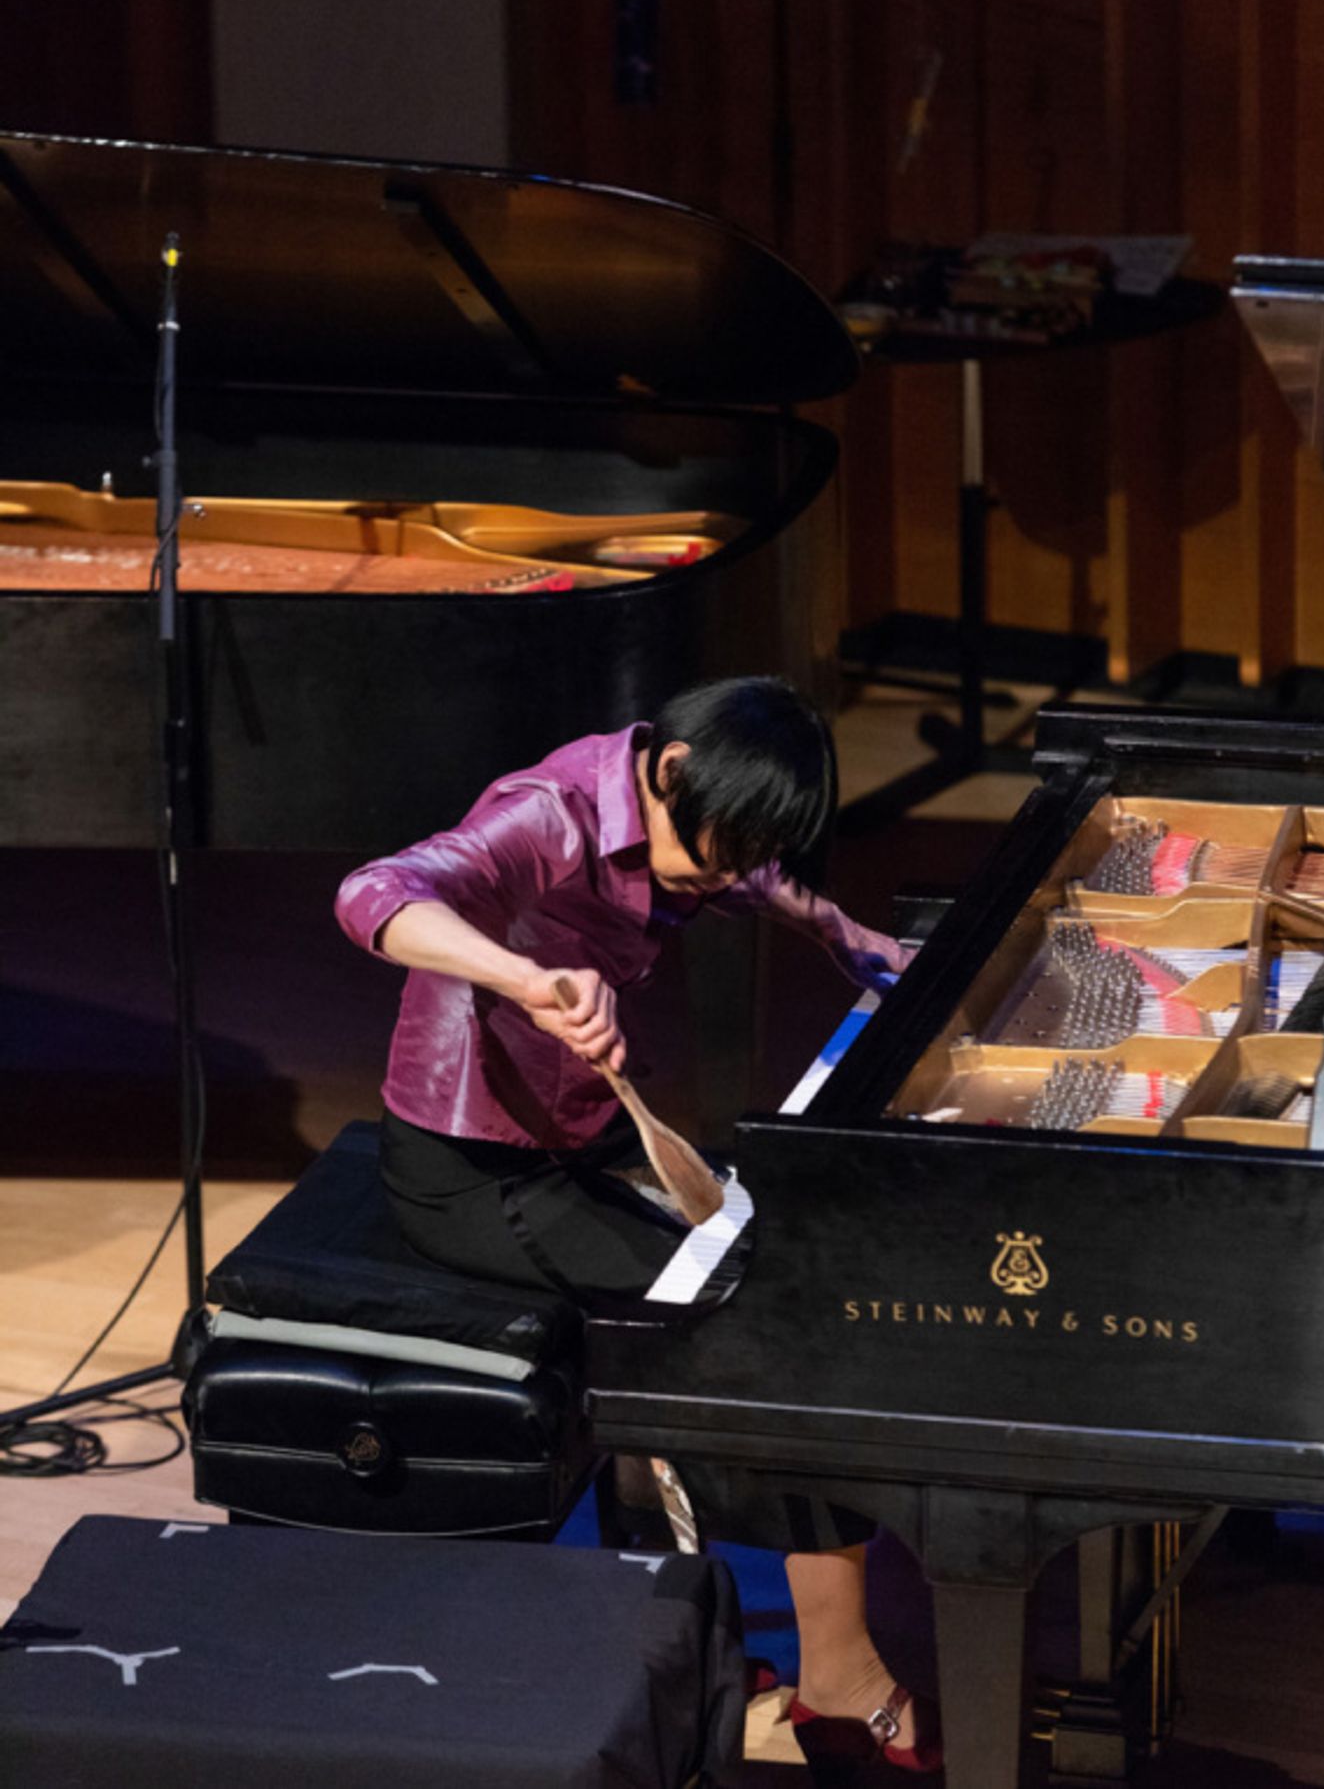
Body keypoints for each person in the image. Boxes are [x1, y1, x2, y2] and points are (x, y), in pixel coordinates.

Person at [335, 675, 938, 1774]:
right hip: (475, 1169)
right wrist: (524, 977)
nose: (719, 878)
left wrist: (843, 937)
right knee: (734, 1319)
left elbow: (753, 877)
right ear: (668, 772)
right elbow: (374, 892)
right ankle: (817, 1670)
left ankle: (742, 1644)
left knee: (782, 1283)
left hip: (587, 1132)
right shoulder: (543, 813)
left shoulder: (678, 798)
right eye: (712, 850)